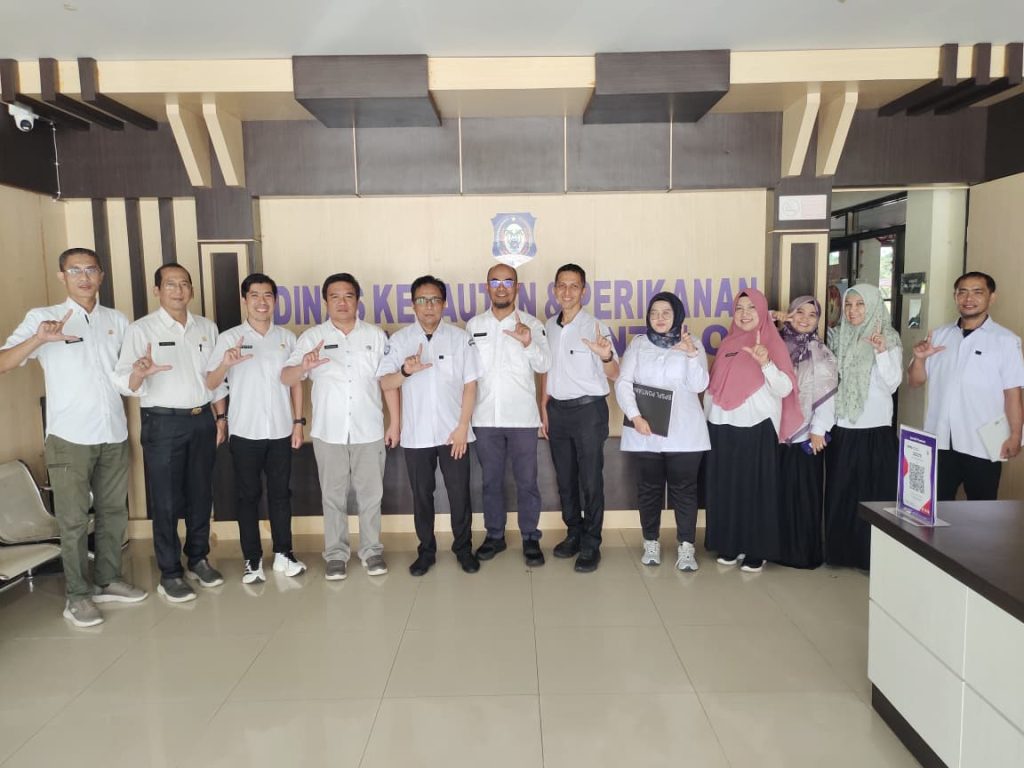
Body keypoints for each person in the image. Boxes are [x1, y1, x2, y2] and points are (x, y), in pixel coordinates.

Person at [0, 248, 147, 627]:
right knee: (73, 520)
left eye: (91, 269)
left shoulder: (116, 320)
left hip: (113, 432)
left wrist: (138, 373)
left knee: (113, 513)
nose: (84, 277)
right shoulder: (43, 318)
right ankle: (78, 596)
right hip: (69, 436)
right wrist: (39, 340)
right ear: (62, 276)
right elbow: (4, 362)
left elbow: (122, 378)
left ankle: (108, 580)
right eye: (75, 270)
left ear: (101, 275)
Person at [112, 263, 227, 602]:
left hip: (202, 419)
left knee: (201, 493)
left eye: (184, 284)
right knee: (165, 499)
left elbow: (216, 377)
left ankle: (198, 558)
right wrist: (139, 372)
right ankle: (170, 573)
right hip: (163, 423)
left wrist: (220, 418)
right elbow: (125, 382)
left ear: (191, 290)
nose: (178, 290)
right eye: (171, 284)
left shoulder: (206, 327)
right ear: (157, 290)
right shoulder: (141, 329)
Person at [281, 273, 398, 581]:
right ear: (326, 301)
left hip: (369, 429)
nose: (342, 302)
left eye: (348, 296)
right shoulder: (312, 338)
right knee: (332, 496)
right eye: (335, 297)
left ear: (358, 300)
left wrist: (395, 423)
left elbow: (388, 382)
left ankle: (371, 551)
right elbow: (286, 377)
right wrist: (303, 366)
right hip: (329, 431)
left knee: (371, 495)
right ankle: (335, 554)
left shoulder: (375, 336)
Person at [206, 273, 307, 584]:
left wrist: (298, 422)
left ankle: (284, 553)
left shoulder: (287, 338)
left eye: (267, 296)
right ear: (244, 300)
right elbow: (211, 383)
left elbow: (295, 383)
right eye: (255, 295)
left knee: (281, 494)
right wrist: (226, 363)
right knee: (247, 497)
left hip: (280, 430)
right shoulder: (229, 338)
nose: (262, 302)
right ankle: (252, 559)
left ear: (275, 300)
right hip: (244, 431)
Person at [378, 275, 481, 577]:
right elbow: (386, 383)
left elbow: (470, 386)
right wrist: (405, 371)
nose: (429, 306)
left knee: (459, 494)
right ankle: (426, 551)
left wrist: (462, 427)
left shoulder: (460, 338)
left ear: (444, 304)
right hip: (416, 434)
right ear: (413, 305)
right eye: (422, 300)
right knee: (422, 496)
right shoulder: (400, 340)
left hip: (454, 434)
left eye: (435, 300)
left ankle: (463, 549)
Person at [704, 288, 800, 573]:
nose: (744, 314)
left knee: (756, 490)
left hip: (757, 427)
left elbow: (784, 388)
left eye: (751, 308)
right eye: (739, 308)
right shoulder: (727, 343)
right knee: (727, 488)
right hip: (722, 425)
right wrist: (707, 420)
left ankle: (757, 549)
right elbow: (714, 387)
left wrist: (766, 363)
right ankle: (730, 544)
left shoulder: (772, 342)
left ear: (761, 312)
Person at [908, 271, 1024, 500]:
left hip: (983, 442)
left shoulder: (1006, 341)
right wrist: (920, 359)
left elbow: (1013, 394)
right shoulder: (938, 335)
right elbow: (915, 381)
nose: (968, 298)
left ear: (991, 297)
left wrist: (1016, 435)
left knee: (982, 509)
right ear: (955, 296)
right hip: (941, 439)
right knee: (936, 505)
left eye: (977, 292)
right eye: (963, 292)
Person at [614, 292, 709, 571]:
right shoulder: (638, 344)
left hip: (685, 432)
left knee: (684, 491)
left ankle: (686, 546)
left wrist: (691, 355)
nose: (660, 318)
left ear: (677, 314)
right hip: (646, 429)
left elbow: (700, 385)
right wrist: (635, 416)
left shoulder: (693, 343)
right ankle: (651, 542)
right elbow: (623, 382)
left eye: (666, 312)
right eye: (654, 312)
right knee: (649, 489)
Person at [465, 263, 551, 566]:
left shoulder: (532, 324)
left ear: (517, 287)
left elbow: (544, 365)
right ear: (487, 287)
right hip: (485, 418)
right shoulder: (473, 325)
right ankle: (495, 535)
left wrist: (528, 343)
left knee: (527, 481)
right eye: (495, 282)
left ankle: (530, 537)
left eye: (507, 282)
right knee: (491, 482)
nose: (501, 288)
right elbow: (467, 373)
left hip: (522, 418)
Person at [541, 263, 619, 573]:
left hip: (589, 412)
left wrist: (606, 355)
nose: (567, 291)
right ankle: (573, 532)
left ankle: (591, 542)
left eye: (574, 286)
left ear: (583, 291)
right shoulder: (548, 326)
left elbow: (615, 373)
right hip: (557, 411)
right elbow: (546, 370)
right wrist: (544, 406)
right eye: (562, 285)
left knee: (590, 480)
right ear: (554, 289)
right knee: (565, 478)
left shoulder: (596, 327)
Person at [824, 283, 902, 569]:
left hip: (875, 430)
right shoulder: (839, 338)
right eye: (848, 305)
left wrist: (881, 352)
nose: (853, 311)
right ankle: (840, 553)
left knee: (874, 496)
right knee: (841, 492)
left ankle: (871, 557)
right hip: (844, 427)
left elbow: (893, 383)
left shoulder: (888, 338)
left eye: (860, 305)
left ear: (873, 307)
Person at [775, 296, 838, 569]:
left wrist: (819, 430)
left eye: (812, 315)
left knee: (802, 496)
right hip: (774, 432)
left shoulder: (821, 353)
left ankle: (800, 553)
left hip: (806, 435)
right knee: (777, 494)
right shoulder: (775, 346)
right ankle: (774, 548)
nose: (804, 319)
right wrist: (773, 316)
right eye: (799, 312)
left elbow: (827, 395)